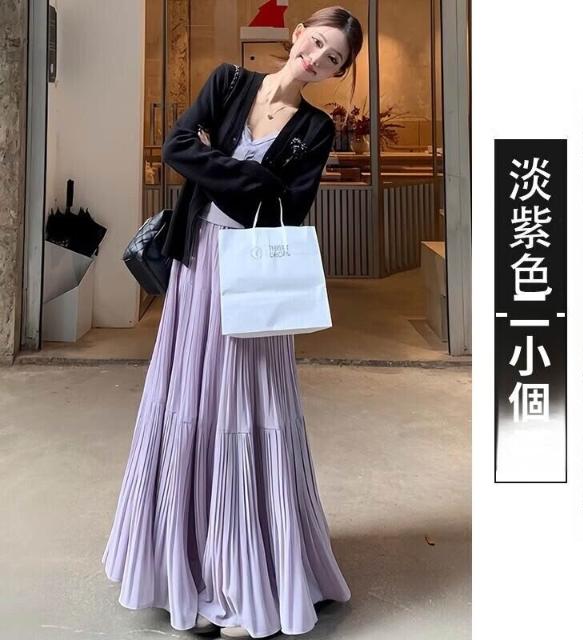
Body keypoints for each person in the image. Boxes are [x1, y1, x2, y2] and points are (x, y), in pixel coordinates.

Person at [101, 6, 363, 639]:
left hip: (255, 279)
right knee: (189, 400)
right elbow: (176, 148)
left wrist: (213, 159)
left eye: (333, 59)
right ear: (297, 33)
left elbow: (289, 206)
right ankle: (182, 567)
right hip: (197, 266)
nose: (316, 59)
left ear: (337, 72)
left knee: (246, 407)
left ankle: (244, 574)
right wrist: (251, 177)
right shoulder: (226, 82)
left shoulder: (316, 129)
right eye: (316, 43)